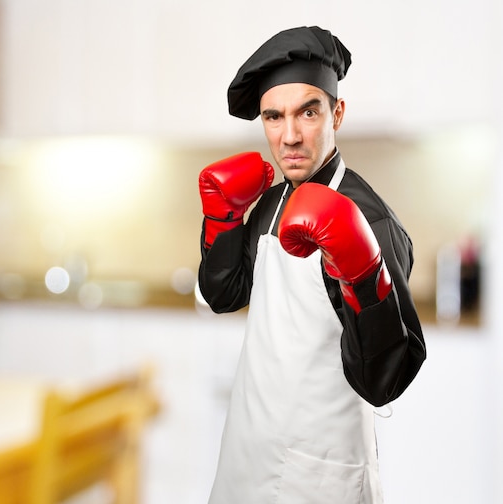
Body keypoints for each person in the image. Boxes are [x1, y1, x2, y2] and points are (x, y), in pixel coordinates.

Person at [197, 26, 426, 503]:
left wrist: (363, 276)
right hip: (246, 452)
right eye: (273, 117)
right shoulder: (269, 202)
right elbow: (224, 295)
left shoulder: (371, 220)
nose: (291, 136)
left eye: (308, 111)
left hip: (319, 473)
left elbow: (383, 382)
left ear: (336, 113)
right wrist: (221, 218)